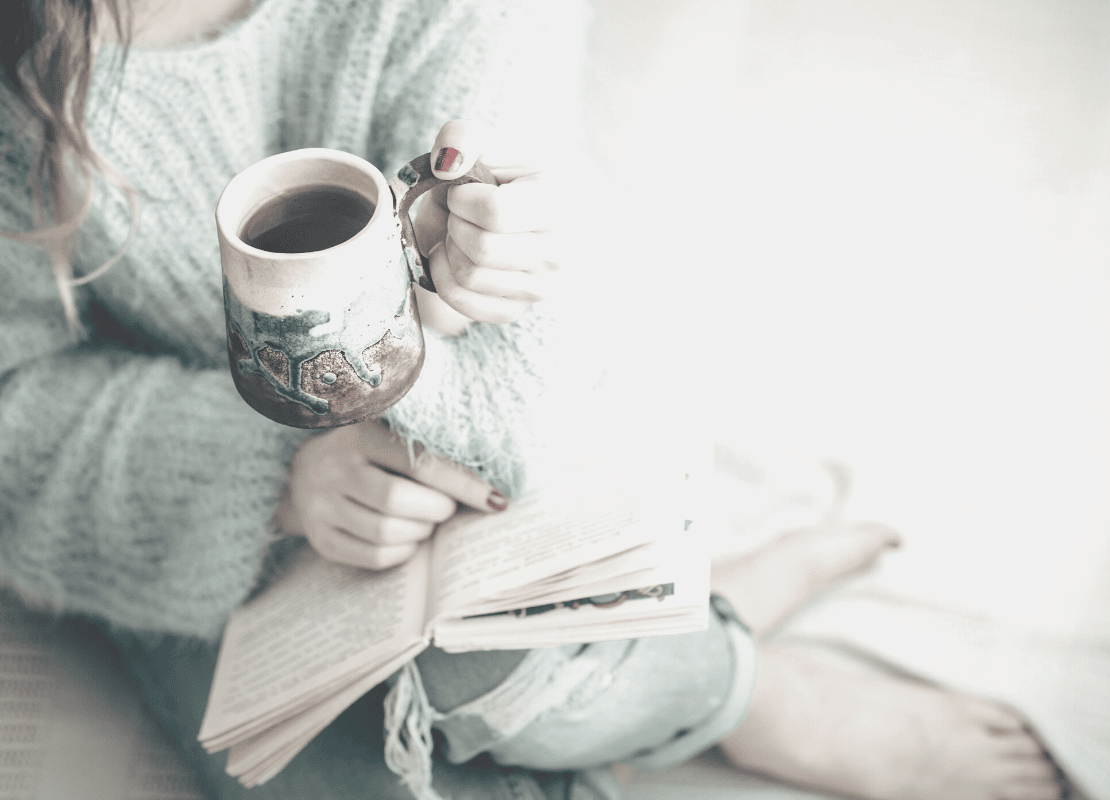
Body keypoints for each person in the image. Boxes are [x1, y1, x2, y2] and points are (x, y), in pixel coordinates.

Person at [0, 0, 1064, 799]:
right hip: (205, 533)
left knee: (495, 666)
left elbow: (521, 411)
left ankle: (740, 684)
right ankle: (694, 627)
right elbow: (15, 415)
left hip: (499, 456)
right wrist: (275, 476)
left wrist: (472, 284)